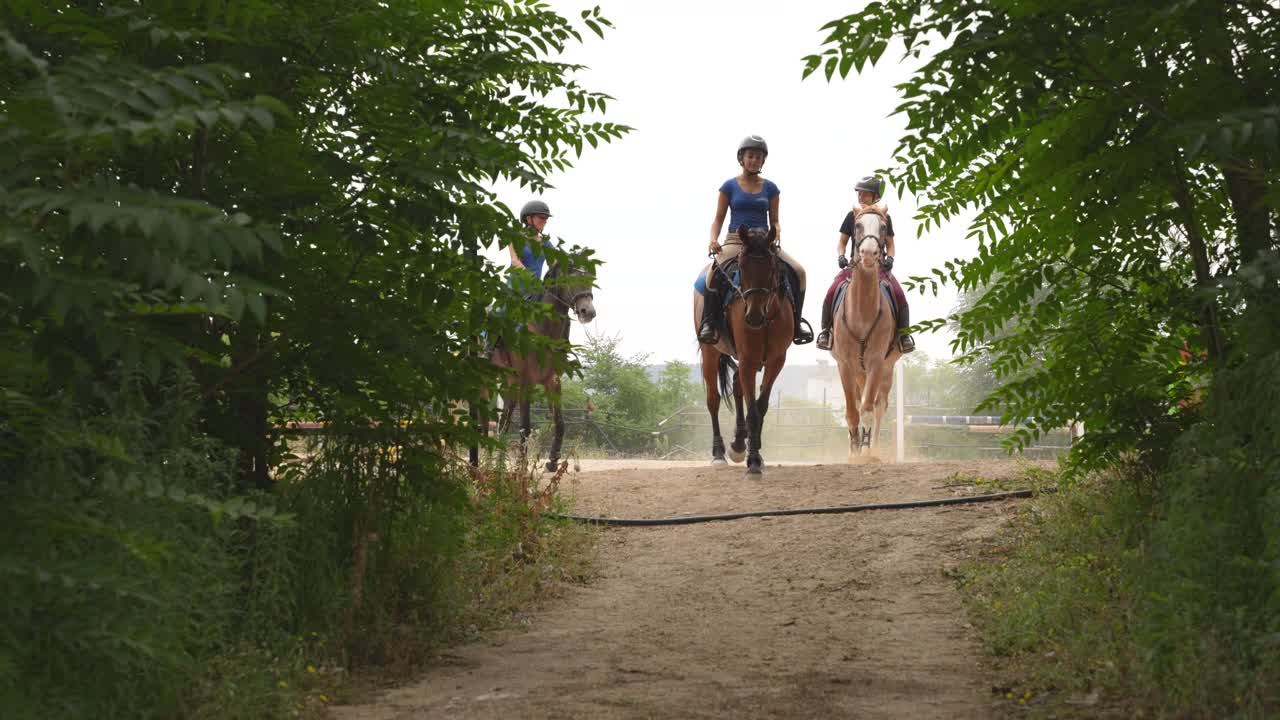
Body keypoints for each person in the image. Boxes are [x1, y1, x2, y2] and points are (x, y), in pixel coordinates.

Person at [696, 135, 813, 345]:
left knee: (800, 272)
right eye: (751, 156)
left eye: (759, 157)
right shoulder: (729, 187)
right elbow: (718, 219)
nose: (754, 161)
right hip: (736, 241)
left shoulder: (771, 188)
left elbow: (775, 221)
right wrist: (713, 239)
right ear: (742, 158)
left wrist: (776, 232)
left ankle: (796, 323)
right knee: (711, 275)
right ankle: (709, 323)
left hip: (763, 243)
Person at [814, 176, 915, 353]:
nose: (861, 197)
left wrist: (890, 258)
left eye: (865, 194)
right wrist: (841, 256)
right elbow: (842, 242)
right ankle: (825, 332)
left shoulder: (885, 217)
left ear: (875, 196)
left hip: (878, 266)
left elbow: (890, 244)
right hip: (855, 265)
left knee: (899, 294)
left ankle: (904, 336)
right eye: (859, 193)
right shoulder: (852, 215)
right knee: (832, 289)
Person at [509, 198, 551, 284]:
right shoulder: (516, 237)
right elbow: (515, 261)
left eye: (546, 218)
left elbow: (556, 264)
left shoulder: (546, 243)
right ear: (528, 219)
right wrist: (533, 279)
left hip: (535, 291)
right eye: (541, 217)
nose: (545, 221)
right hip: (515, 291)